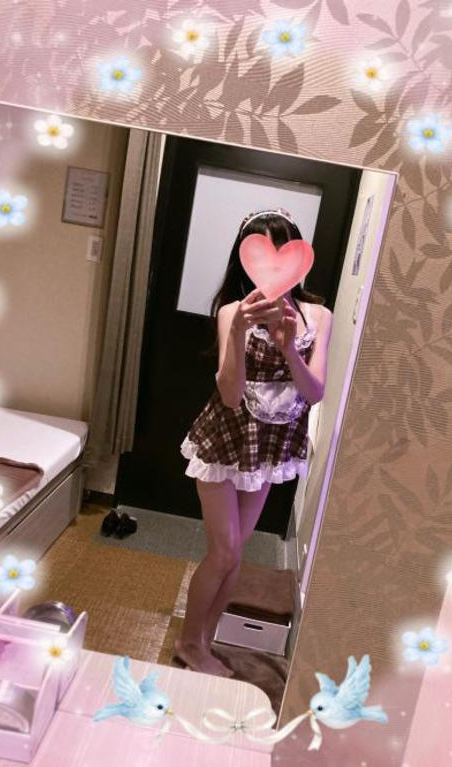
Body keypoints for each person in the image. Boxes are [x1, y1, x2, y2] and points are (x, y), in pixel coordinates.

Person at [174, 207, 334, 677]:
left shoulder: (318, 316)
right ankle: (189, 644)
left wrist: (287, 345)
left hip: (269, 447)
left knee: (236, 555)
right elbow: (229, 393)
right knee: (223, 552)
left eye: (281, 252)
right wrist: (241, 329)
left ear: (296, 259)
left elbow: (315, 392)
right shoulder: (232, 312)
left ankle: (204, 641)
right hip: (226, 439)